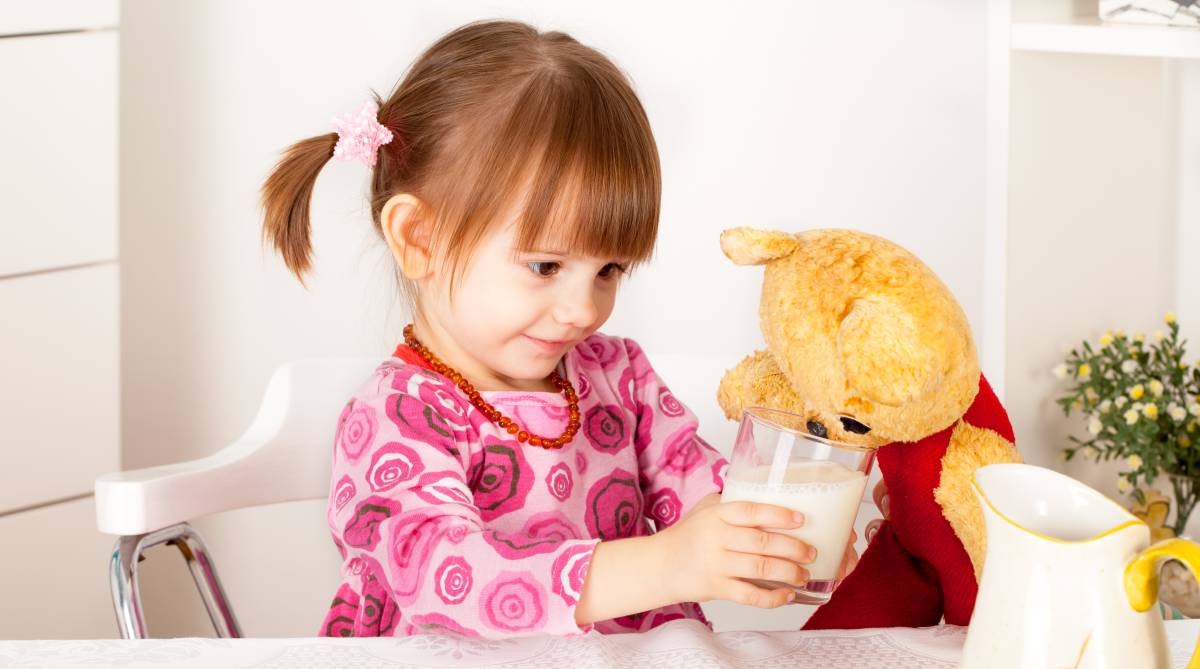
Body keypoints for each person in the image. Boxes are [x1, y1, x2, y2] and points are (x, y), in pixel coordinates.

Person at [260, 19, 853, 639]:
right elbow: (449, 578)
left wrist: (766, 535)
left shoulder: (616, 375)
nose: (583, 310)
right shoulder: (396, 416)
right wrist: (671, 562)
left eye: (609, 269)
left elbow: (696, 483)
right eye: (546, 265)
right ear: (420, 239)